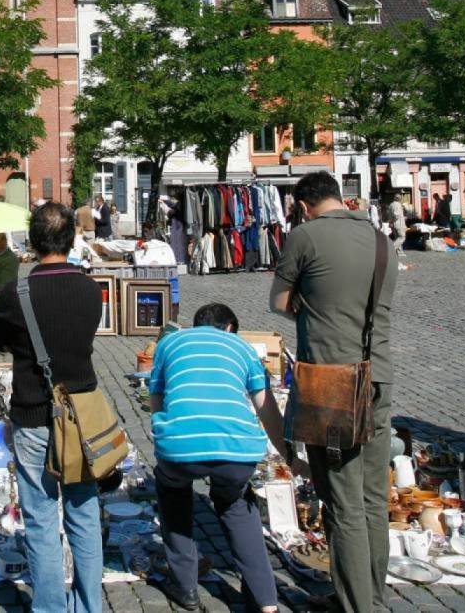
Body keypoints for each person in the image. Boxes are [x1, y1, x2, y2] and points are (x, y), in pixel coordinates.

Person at [270, 171, 398, 613]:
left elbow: (280, 302)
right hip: (377, 376)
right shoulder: (383, 241)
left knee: (342, 501)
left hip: (331, 381)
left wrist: (312, 311)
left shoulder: (304, 237)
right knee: (372, 499)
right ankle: (369, 594)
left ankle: (359, 605)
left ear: (303, 206)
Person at [0, 202, 104, 613]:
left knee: (39, 518)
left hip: (34, 413)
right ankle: (90, 605)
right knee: (84, 513)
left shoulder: (16, 292)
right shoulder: (91, 288)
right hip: (83, 417)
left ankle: (51, 607)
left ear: (33, 242)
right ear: (72, 240)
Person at [151, 302, 300, 612]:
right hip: (238, 448)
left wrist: (163, 435)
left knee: (173, 491)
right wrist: (286, 453)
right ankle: (266, 602)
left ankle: (185, 584)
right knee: (235, 504)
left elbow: (156, 396)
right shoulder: (242, 347)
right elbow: (265, 405)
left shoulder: (169, 342)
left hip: (180, 446)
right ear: (230, 327)